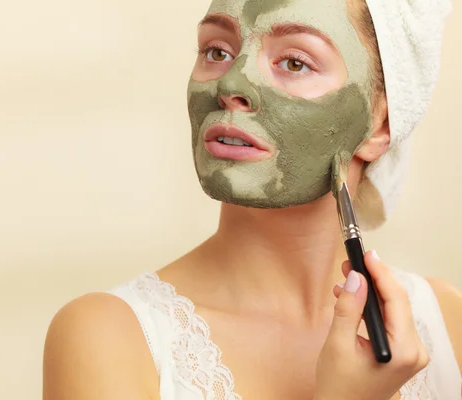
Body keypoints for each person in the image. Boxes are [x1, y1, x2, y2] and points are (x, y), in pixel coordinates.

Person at [43, 0, 462, 398]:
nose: (230, 84)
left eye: (295, 62)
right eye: (217, 51)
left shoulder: (448, 321)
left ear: (380, 124)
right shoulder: (107, 336)